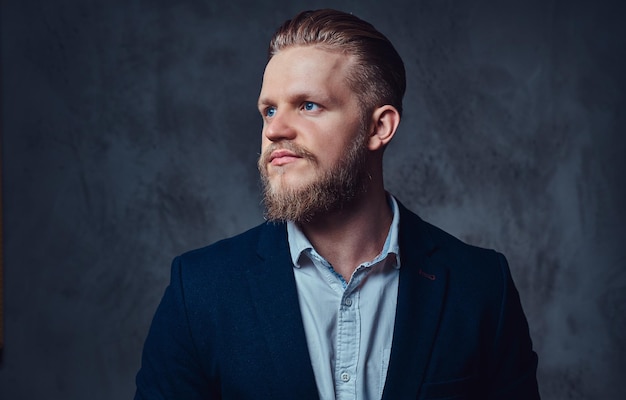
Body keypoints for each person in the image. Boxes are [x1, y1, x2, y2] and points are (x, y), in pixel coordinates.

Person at [134, 9, 540, 400]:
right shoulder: (200, 289)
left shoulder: (481, 287)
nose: (275, 129)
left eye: (308, 105)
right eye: (269, 110)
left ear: (379, 127)